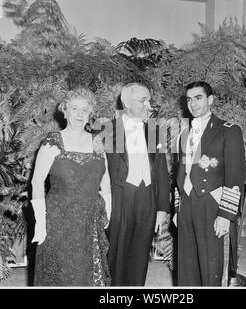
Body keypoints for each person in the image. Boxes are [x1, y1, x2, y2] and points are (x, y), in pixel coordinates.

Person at [30, 88, 112, 286]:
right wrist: (40, 223)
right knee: (63, 274)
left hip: (90, 221)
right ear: (64, 111)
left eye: (85, 109)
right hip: (59, 221)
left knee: (89, 275)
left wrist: (108, 212)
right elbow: (36, 181)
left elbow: (106, 182)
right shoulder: (52, 142)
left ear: (90, 113)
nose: (79, 114)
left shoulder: (97, 142)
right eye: (74, 108)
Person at [176, 81, 246, 286]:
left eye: (198, 98)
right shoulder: (184, 133)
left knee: (210, 269)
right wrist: (176, 208)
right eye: (189, 100)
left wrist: (226, 214)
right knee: (186, 267)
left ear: (210, 100)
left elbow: (235, 177)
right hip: (186, 203)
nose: (193, 104)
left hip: (212, 203)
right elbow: (180, 174)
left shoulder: (228, 130)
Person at [105, 82, 170, 286]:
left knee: (140, 257)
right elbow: (100, 171)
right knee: (115, 257)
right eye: (143, 100)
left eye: (149, 100)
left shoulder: (154, 131)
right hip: (119, 200)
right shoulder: (108, 131)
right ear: (126, 102)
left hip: (147, 200)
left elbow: (161, 171)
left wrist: (162, 208)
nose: (148, 105)